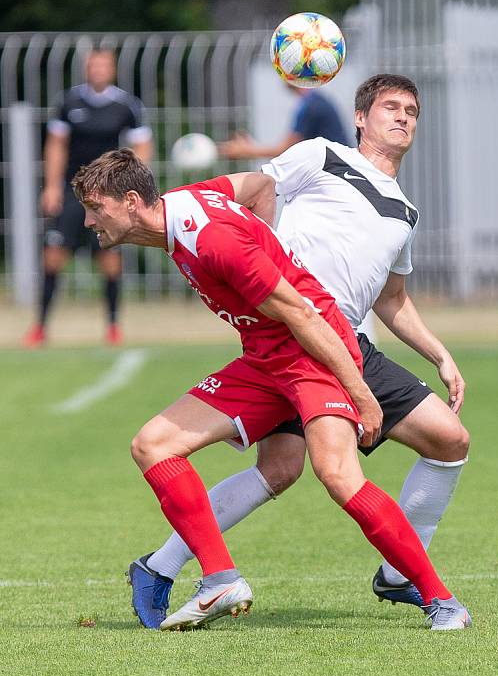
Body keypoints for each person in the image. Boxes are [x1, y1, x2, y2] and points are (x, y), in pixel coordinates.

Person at [73, 147, 471, 632]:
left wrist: (360, 392)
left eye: (97, 208)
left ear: (132, 201)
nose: (90, 221)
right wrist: (268, 241)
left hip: (313, 350)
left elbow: (303, 313)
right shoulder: (188, 206)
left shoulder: (215, 242)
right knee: (153, 445)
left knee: (339, 475)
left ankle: (442, 601)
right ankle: (220, 578)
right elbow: (261, 188)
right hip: (265, 356)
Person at [23, 49, 153, 347]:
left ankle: (112, 327)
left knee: (109, 258)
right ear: (86, 68)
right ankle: (40, 327)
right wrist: (52, 186)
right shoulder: (69, 102)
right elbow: (56, 145)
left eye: (104, 65)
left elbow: (142, 146)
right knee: (53, 255)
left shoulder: (125, 105)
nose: (98, 70)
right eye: (93, 65)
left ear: (112, 69)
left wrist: (128, 186)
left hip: (106, 195)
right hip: (72, 192)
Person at [218, 86, 349, 160]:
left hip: (336, 174)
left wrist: (247, 150)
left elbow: (284, 150)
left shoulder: (311, 106)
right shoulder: (315, 100)